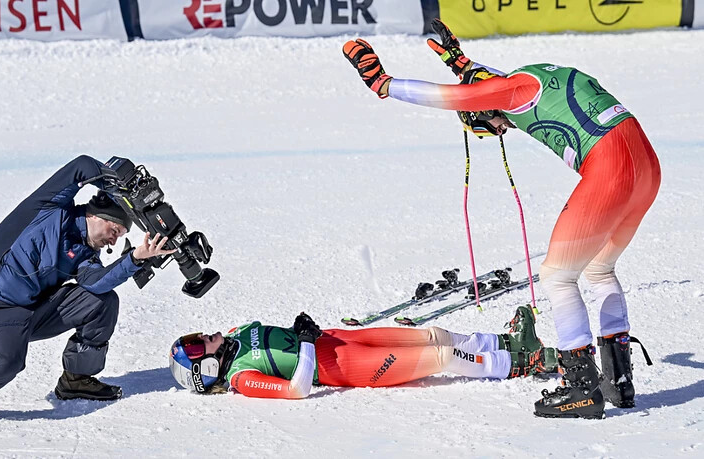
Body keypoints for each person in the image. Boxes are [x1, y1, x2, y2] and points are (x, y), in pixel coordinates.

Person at [342, 20, 660, 419]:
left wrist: (384, 85)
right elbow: (488, 83)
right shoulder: (529, 79)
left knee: (558, 276)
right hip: (647, 166)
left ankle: (581, 387)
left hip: (612, 170)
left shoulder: (507, 94)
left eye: (491, 126)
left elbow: (456, 96)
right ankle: (619, 381)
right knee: (599, 270)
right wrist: (460, 62)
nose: (503, 127)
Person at [0, 155, 177, 427]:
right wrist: (121, 186)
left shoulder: (85, 254)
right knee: (7, 362)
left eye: (119, 236)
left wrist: (135, 258)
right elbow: (81, 166)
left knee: (102, 300)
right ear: (96, 214)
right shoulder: (49, 209)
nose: (114, 239)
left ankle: (76, 380)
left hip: (32, 313)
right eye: (115, 229)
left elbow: (97, 282)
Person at [168, 307, 558, 398]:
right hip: (344, 367)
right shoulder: (241, 378)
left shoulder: (236, 334)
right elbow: (297, 389)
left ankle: (506, 342)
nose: (205, 335)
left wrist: (307, 332)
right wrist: (305, 342)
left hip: (340, 341)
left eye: (195, 336)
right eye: (198, 345)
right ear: (207, 367)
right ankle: (518, 364)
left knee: (431, 335)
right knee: (440, 358)